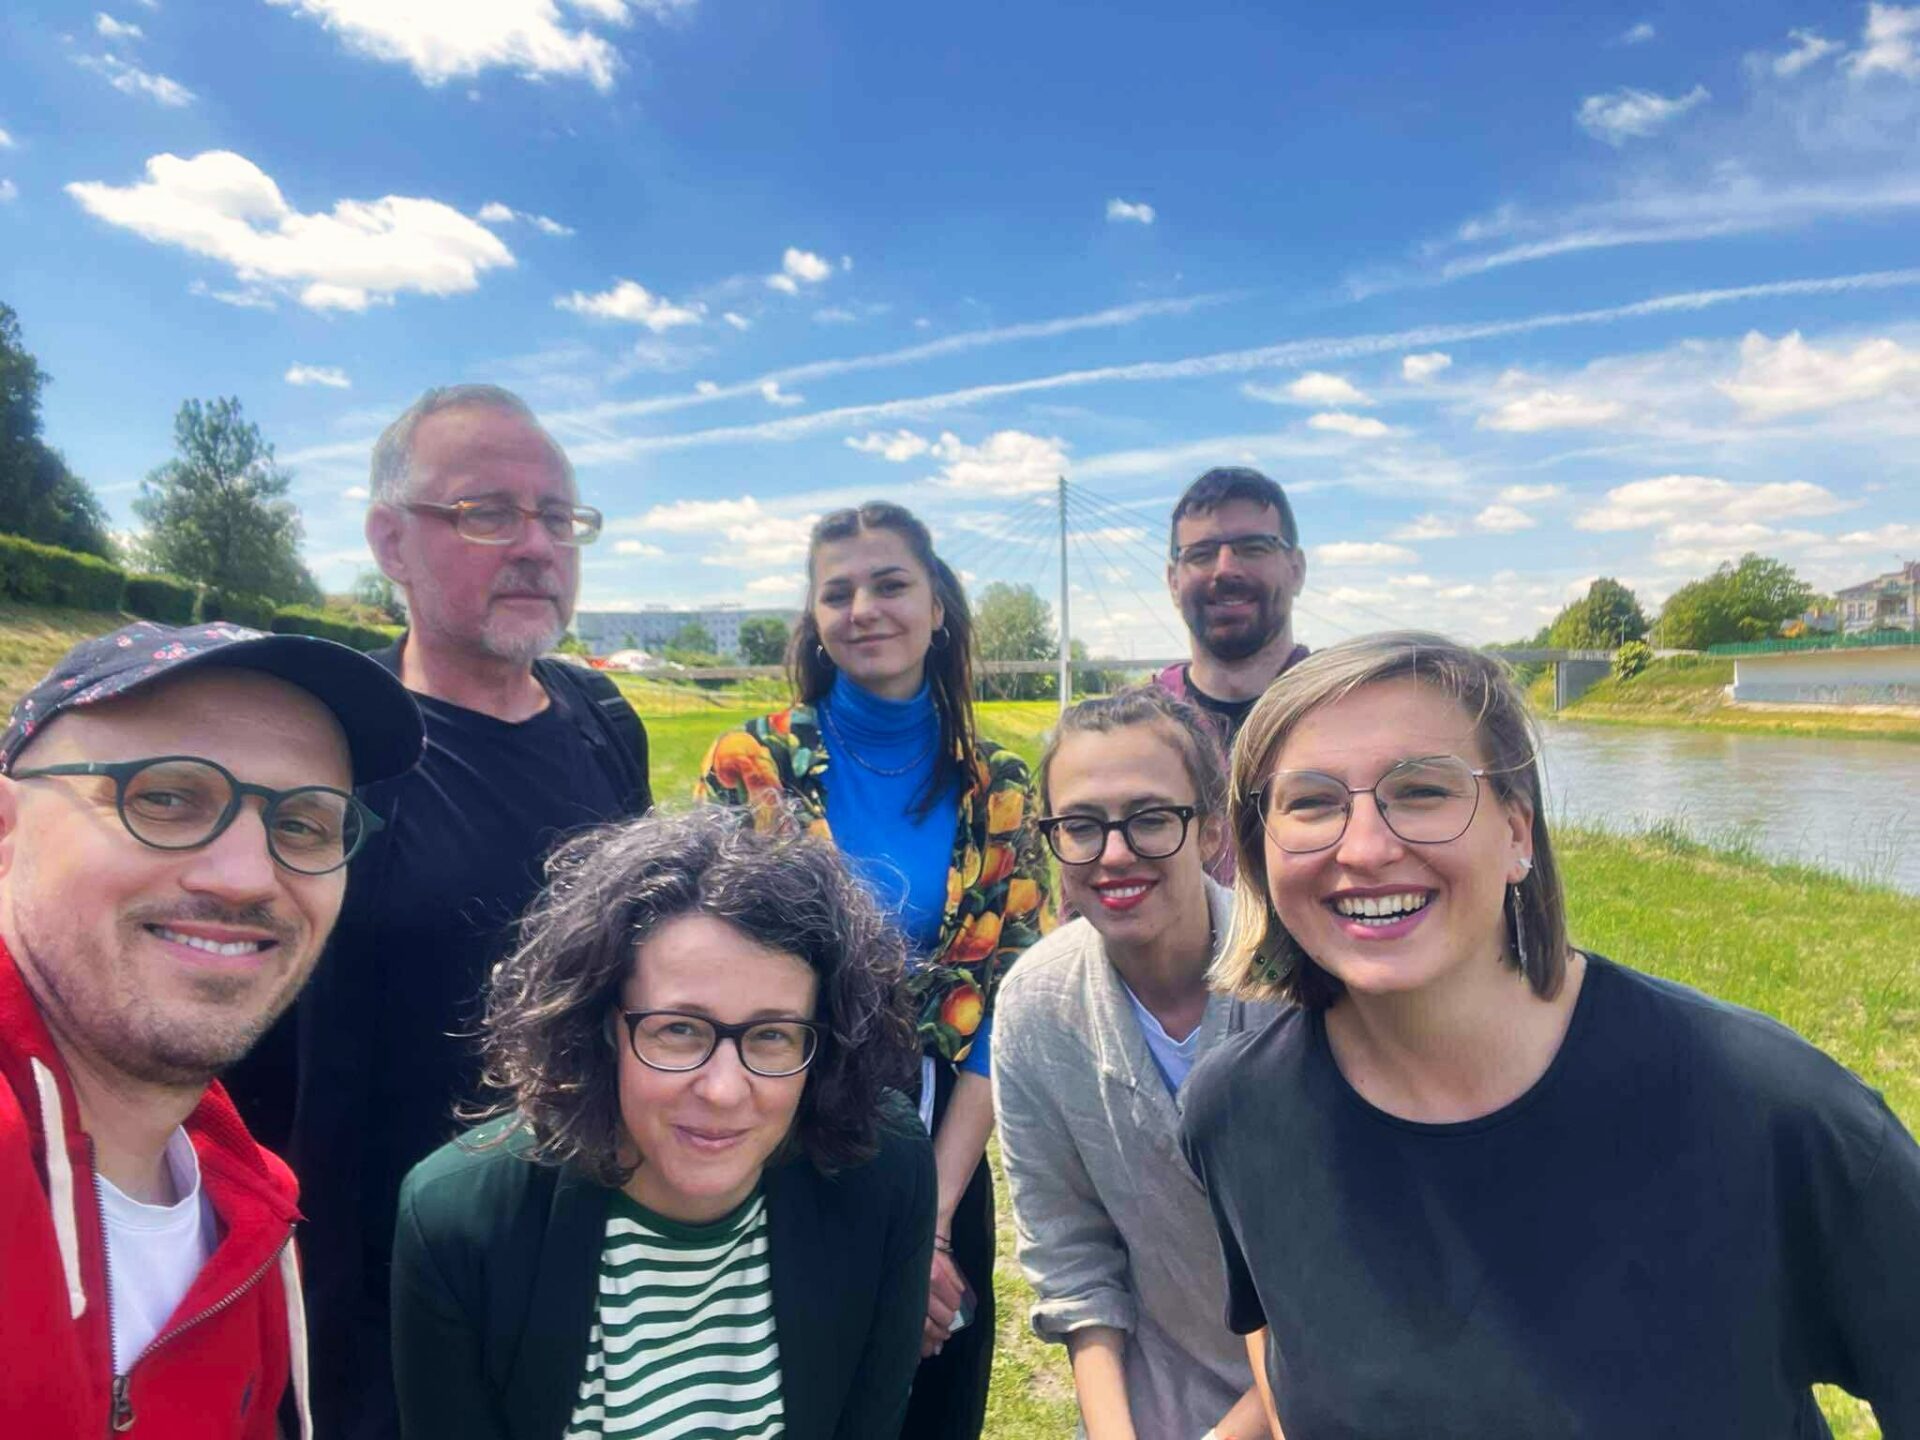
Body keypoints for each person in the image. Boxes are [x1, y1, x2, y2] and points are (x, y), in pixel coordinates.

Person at [1180, 632, 1920, 1439]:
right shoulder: (1238, 1113)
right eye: (1313, 802)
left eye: (1422, 790)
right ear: (1260, 852)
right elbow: (1276, 1336)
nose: (1364, 848)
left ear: (1517, 832)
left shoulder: (1778, 1112)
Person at [259, 384, 654, 1438]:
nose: (536, 546)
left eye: (557, 517)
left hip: (590, 1244)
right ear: (390, 541)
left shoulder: (603, 720)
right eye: (487, 513)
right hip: (376, 1285)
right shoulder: (327, 746)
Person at [0, 621, 423, 1439]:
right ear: (6, 830)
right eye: (164, 798)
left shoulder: (251, 1211)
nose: (246, 878)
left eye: (302, 824)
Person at [391, 808, 933, 1440]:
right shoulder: (460, 1226)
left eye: (772, 1035)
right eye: (678, 1029)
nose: (724, 1089)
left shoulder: (882, 1167)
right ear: (603, 1026)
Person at [699, 500, 1051, 1440]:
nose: (864, 609)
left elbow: (1008, 1006)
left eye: (890, 584)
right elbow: (710, 973)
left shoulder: (1000, 787)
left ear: (938, 606)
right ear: (814, 618)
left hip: (942, 1155)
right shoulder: (753, 763)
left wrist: (927, 1215)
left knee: (931, 1409)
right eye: (838, 592)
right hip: (775, 1153)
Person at [995, 687, 1279, 1440]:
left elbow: (1347, 1264)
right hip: (1161, 1394)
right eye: (1081, 825)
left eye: (1150, 818)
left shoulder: (1297, 981)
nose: (1114, 853)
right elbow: (1073, 1256)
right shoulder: (1035, 1007)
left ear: (1210, 829)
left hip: (1337, 1384)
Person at [1156, 466, 1310, 756]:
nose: (1225, 570)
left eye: (1254, 548)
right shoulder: (1138, 728)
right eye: (1201, 554)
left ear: (1296, 570)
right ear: (1173, 582)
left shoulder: (1345, 708)